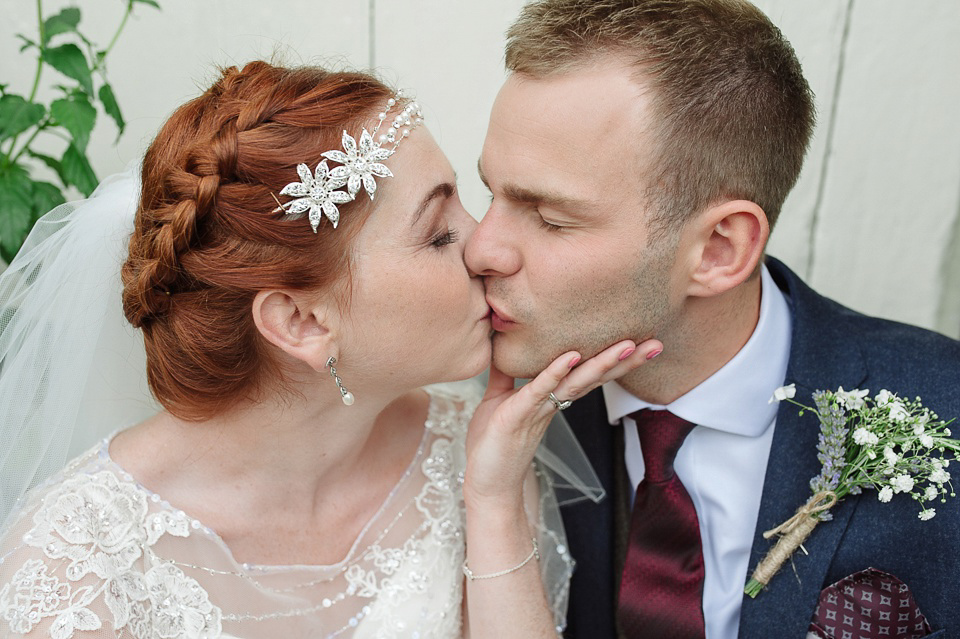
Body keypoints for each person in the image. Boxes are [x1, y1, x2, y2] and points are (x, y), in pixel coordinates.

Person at [0, 61, 663, 638]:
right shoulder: (71, 566)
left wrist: (493, 502)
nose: (485, 245)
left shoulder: (474, 460)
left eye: (467, 200)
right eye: (437, 234)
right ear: (298, 321)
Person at [465, 1, 960, 638]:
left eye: (552, 218)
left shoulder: (944, 413)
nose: (482, 249)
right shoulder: (488, 424)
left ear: (719, 249)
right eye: (491, 192)